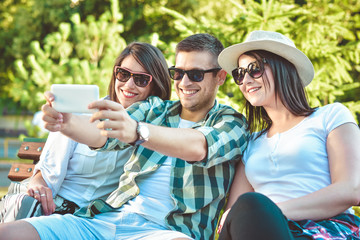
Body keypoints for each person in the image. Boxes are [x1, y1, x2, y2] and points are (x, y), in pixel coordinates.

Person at [0, 33, 249, 240]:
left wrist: (139, 132)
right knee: (9, 234)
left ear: (220, 77)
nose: (184, 82)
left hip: (167, 232)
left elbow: (198, 147)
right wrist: (67, 122)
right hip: (107, 220)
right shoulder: (154, 109)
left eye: (195, 74)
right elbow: (104, 135)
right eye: (178, 73)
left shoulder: (231, 123)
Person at [0, 42, 172, 222]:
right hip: (49, 206)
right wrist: (37, 185)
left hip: (93, 220)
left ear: (155, 85)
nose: (128, 85)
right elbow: (48, 174)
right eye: (123, 74)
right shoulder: (79, 114)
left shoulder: (151, 132)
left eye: (141, 79)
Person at [216, 30, 360, 239]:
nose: (245, 80)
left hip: (325, 230)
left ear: (282, 67)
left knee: (250, 204)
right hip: (263, 231)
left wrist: (270, 211)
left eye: (254, 69)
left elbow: (351, 189)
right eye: (239, 74)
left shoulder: (330, 116)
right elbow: (233, 214)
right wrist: (256, 214)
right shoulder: (251, 143)